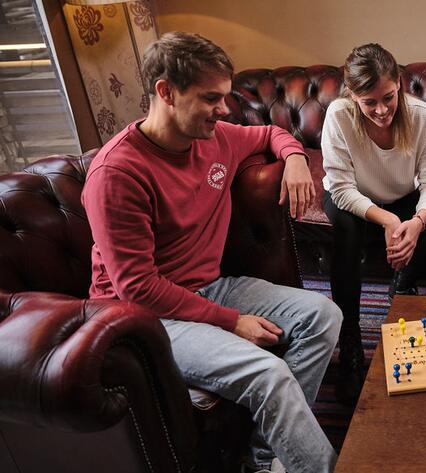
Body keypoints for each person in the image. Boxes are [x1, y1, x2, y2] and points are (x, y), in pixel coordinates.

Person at [81, 32, 342, 473]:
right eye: (210, 98)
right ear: (166, 92)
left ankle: (265, 460)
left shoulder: (215, 136)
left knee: (323, 316)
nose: (224, 110)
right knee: (269, 374)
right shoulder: (117, 174)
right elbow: (138, 287)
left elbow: (272, 132)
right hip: (141, 317)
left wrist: (295, 158)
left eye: (225, 97)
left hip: (209, 287)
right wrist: (231, 322)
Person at [321, 43, 426, 403]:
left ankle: (404, 282)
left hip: (403, 195)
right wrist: (387, 220)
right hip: (352, 200)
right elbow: (340, 188)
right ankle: (350, 336)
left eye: (388, 97)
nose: (381, 110)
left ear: (399, 82)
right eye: (369, 102)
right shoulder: (338, 115)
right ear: (352, 95)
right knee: (346, 232)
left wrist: (416, 222)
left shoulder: (421, 115)